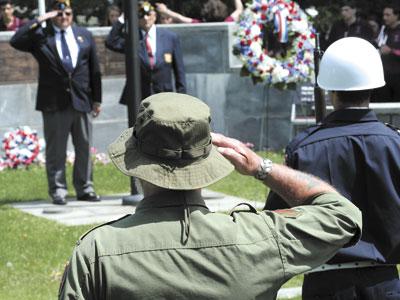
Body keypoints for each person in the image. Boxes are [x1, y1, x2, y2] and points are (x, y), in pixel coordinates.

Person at [59, 92, 362, 299]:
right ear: (210, 157)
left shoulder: (97, 253)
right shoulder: (261, 238)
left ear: (136, 162)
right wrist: (261, 167)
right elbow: (343, 215)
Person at [265, 37, 400, 299]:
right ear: (372, 88)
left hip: (325, 283)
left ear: (328, 91)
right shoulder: (395, 143)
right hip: (384, 282)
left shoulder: (303, 147)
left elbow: (277, 219)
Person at [10, 0, 102, 205]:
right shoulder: (42, 37)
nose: (64, 17)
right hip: (54, 102)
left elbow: (94, 70)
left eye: (68, 13)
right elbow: (16, 40)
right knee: (56, 150)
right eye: (59, 14)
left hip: (82, 101)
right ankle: (58, 190)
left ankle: (85, 188)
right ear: (53, 15)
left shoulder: (84, 35)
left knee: (84, 148)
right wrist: (40, 19)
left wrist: (97, 99)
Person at [105, 1, 186, 104]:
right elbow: (110, 42)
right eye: (141, 15)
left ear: (155, 16)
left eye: (148, 14)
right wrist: (123, 17)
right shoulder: (132, 38)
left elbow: (179, 70)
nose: (145, 18)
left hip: (164, 96)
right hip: (139, 97)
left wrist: (182, 96)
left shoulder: (170, 37)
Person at [372, 4, 400, 102]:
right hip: (384, 75)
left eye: (388, 15)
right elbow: (378, 44)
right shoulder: (384, 29)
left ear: (396, 16)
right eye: (384, 15)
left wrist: (391, 51)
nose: (385, 18)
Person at [155, 0, 243, 23]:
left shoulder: (199, 24)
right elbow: (239, 9)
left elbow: (180, 18)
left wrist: (166, 11)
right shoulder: (228, 22)